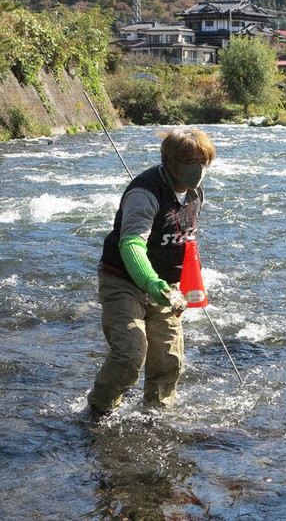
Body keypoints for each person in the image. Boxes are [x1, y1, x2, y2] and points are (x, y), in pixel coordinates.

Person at [88, 127, 216, 417]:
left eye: (203, 162)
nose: (197, 169)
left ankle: (156, 415)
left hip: (168, 285)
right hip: (123, 280)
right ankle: (98, 411)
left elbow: (185, 240)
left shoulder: (196, 194)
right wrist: (149, 281)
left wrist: (188, 282)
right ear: (170, 161)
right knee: (130, 353)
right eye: (190, 162)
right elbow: (131, 243)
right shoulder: (143, 193)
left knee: (169, 357)